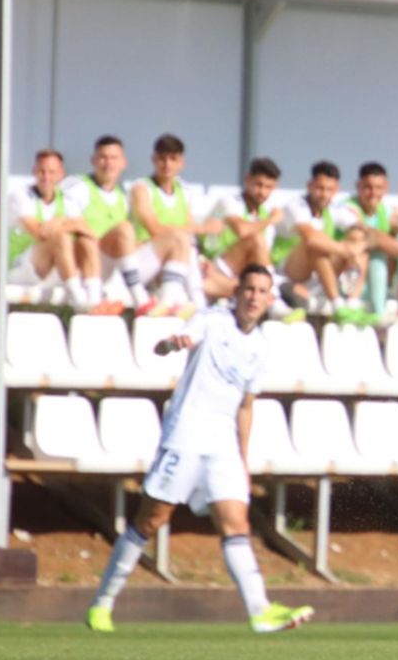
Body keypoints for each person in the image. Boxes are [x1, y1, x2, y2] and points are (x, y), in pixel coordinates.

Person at [86, 264, 314, 634]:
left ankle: (260, 610)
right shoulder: (212, 320)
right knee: (152, 519)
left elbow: (245, 406)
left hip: (223, 442)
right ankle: (102, 603)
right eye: (249, 289)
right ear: (237, 293)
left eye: (262, 291)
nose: (255, 296)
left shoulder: (260, 347)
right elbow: (180, 340)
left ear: (270, 299)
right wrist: (171, 344)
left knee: (235, 522)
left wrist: (242, 459)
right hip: (186, 432)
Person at [7, 148, 107, 312]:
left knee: (85, 240)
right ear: (34, 171)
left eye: (52, 172)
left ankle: (94, 299)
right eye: (42, 171)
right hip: (19, 268)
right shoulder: (21, 197)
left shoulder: (67, 200)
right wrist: (69, 223)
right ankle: (80, 303)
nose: (46, 177)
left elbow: (88, 230)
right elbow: (39, 232)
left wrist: (58, 221)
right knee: (61, 238)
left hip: (52, 268)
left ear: (61, 174)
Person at [129, 132, 217, 315]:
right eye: (162, 159)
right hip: (144, 257)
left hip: (172, 260)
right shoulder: (141, 188)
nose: (167, 164)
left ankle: (185, 301)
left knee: (192, 249)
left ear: (181, 163)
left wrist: (199, 253)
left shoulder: (184, 191)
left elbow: (189, 230)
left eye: (172, 159)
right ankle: (181, 300)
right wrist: (202, 228)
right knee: (180, 239)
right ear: (153, 160)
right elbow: (154, 229)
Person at [62, 135, 153, 313]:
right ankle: (139, 298)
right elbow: (66, 224)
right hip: (82, 262)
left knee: (175, 241)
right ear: (94, 160)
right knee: (123, 229)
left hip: (111, 267)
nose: (108, 163)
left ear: (123, 163)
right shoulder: (78, 186)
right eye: (103, 157)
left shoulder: (123, 195)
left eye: (114, 158)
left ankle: (175, 296)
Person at [345, 162, 398, 316]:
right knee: (376, 254)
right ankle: (378, 314)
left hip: (381, 282)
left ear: (386, 187)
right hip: (350, 282)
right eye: (367, 187)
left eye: (378, 188)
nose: (373, 193)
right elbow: (373, 237)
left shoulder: (387, 211)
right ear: (358, 186)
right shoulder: (348, 209)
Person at [281, 160, 367, 313]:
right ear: (309, 186)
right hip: (290, 274)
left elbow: (365, 232)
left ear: (336, 189)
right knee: (316, 245)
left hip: (319, 275)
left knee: (359, 241)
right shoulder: (295, 206)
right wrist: (347, 250)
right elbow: (310, 238)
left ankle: (352, 302)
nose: (324, 194)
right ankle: (337, 306)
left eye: (330, 189)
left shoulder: (335, 209)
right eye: (320, 188)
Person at [201, 157, 291, 302]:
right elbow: (242, 230)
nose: (262, 192)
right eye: (258, 185)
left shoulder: (264, 214)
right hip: (215, 267)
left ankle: (268, 293)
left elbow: (261, 258)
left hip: (242, 275)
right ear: (247, 180)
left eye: (268, 187)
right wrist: (270, 220)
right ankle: (272, 297)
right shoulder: (229, 202)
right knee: (255, 238)